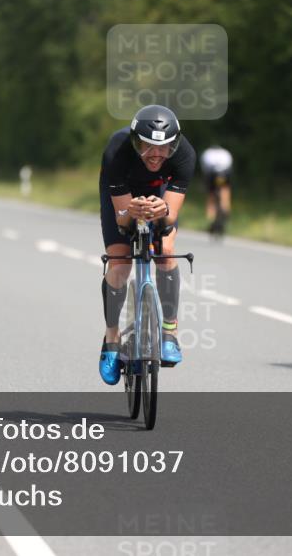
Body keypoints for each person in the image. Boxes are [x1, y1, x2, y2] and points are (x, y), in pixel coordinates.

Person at [98, 105, 196, 385]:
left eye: (164, 148)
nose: (156, 154)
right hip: (121, 197)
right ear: (135, 142)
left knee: (165, 249)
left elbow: (171, 216)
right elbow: (122, 223)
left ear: (174, 146)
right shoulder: (117, 152)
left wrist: (161, 210)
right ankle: (112, 338)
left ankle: (169, 332)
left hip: (159, 196)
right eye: (148, 146)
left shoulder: (185, 155)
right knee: (119, 263)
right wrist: (131, 211)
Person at [199, 144, 233, 235]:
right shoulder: (225, 153)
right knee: (225, 193)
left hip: (212, 175)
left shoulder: (207, 153)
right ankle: (225, 210)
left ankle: (211, 219)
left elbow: (205, 170)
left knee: (211, 197)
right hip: (225, 174)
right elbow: (230, 167)